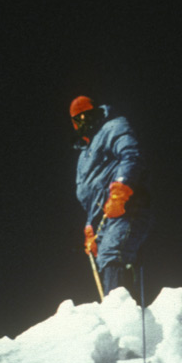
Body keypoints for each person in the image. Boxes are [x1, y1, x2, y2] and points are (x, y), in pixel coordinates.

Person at [70, 95, 153, 299]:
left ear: (96, 112)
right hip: (104, 216)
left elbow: (130, 154)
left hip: (126, 204)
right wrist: (90, 226)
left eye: (87, 115)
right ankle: (119, 308)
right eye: (78, 119)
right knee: (105, 260)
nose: (84, 122)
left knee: (113, 253)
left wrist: (120, 190)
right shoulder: (83, 156)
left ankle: (121, 316)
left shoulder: (113, 127)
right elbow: (90, 194)